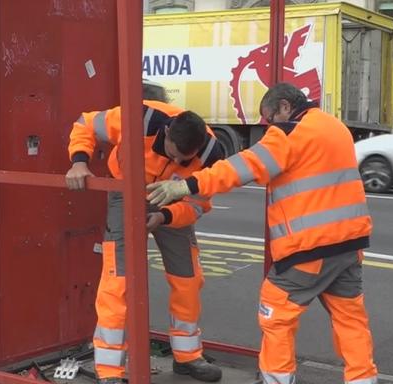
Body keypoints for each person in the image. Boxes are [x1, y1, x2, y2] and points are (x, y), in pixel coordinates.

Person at [146, 82, 379, 384]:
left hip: (309, 245)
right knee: (351, 320)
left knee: (276, 315)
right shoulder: (334, 126)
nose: (268, 125)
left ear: (284, 106)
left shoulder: (290, 132)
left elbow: (245, 166)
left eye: (269, 117)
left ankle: (276, 380)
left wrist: (186, 185)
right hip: (349, 244)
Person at [66, 81, 225, 383]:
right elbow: (85, 123)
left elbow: (199, 204)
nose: (178, 162)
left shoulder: (210, 154)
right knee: (118, 279)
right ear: (165, 133)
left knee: (188, 279)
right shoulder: (137, 118)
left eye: (184, 160)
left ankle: (188, 356)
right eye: (173, 154)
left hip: (172, 199)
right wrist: (79, 162)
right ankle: (110, 371)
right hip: (124, 190)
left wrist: (165, 216)